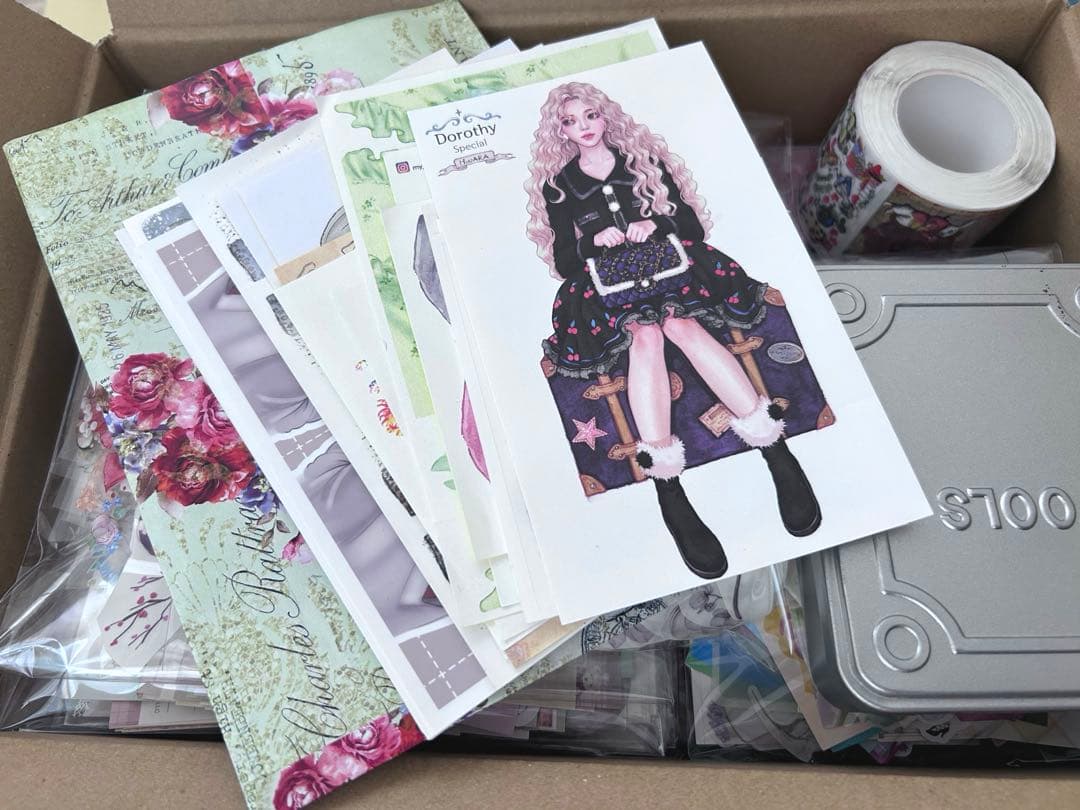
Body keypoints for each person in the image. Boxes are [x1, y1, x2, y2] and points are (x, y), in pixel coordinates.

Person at [525, 82, 821, 579]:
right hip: (607, 282)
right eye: (571, 121)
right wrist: (595, 240)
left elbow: (690, 227)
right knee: (645, 335)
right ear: (561, 132)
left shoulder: (641, 158)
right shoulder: (560, 184)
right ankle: (668, 485)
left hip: (670, 264)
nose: (584, 127)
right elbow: (565, 260)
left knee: (681, 324)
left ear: (606, 115)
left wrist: (655, 226)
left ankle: (775, 449)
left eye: (591, 115)